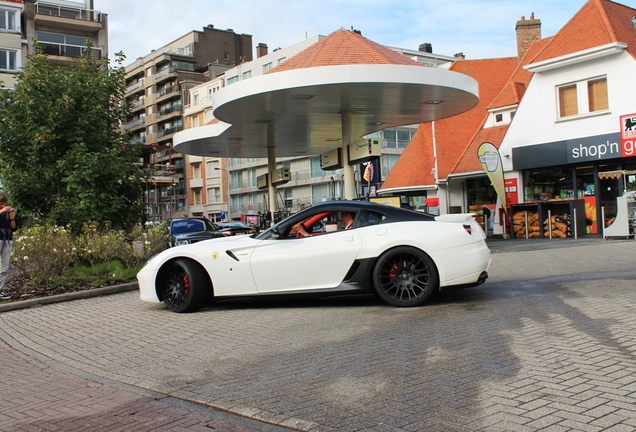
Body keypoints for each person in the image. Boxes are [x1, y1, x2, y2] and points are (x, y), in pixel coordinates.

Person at [0, 192, 16, 299]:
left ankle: (0, 289)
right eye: (0, 202)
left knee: (5, 266)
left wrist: (11, 218)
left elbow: (13, 227)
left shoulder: (6, 212)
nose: (3, 204)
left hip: (7, 238)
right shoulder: (2, 211)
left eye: (4, 202)